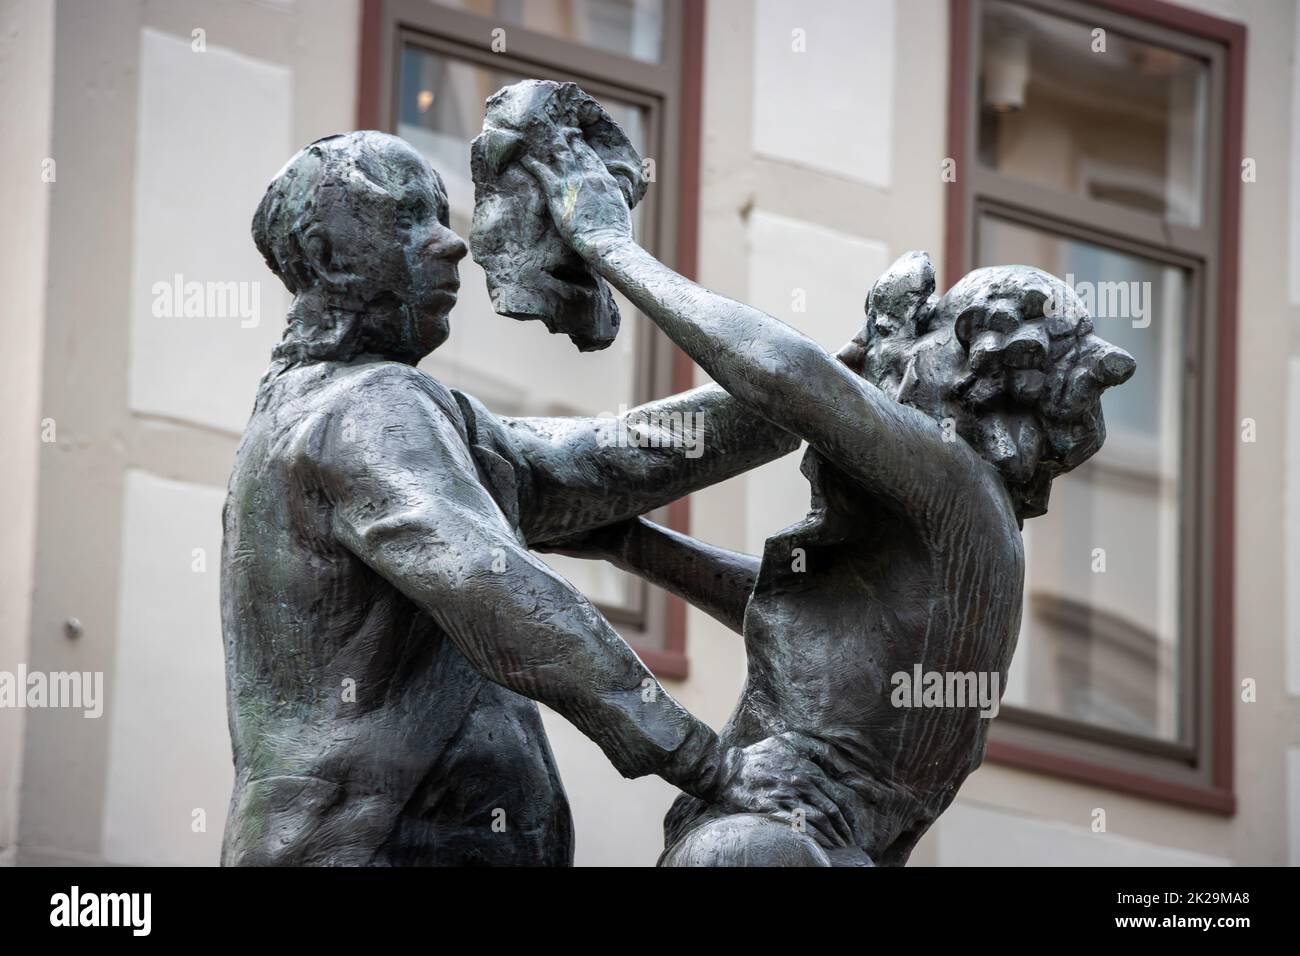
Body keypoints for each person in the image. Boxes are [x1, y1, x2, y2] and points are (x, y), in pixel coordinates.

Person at [220, 131, 854, 865]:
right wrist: (703, 760)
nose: (449, 243)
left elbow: (615, 458)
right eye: (408, 220)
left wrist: (839, 388)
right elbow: (491, 586)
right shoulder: (365, 408)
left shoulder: (371, 414)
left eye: (439, 215)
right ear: (329, 258)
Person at [522, 132, 1137, 866]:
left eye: (929, 327)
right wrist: (630, 544)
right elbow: (820, 633)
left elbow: (784, 373)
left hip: (767, 844)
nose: (902, 346)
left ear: (982, 367)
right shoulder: (977, 539)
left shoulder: (951, 476)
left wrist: (606, 242)